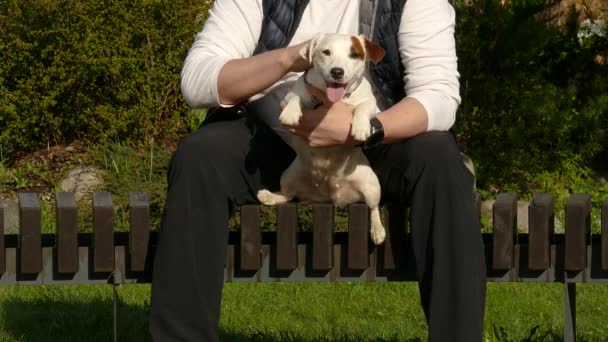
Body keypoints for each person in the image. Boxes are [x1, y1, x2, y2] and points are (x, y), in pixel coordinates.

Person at [149, 0, 487, 341]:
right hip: (274, 135)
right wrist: (289, 58)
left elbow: (439, 95)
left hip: (372, 140)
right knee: (199, 156)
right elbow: (196, 81)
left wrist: (369, 129)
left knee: (441, 160)